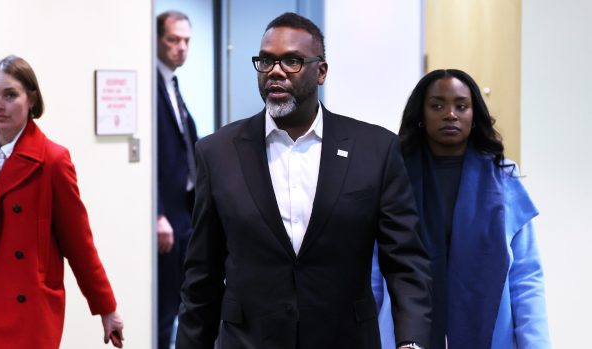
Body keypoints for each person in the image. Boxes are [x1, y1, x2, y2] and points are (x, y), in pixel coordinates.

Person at [176, 12, 432, 349]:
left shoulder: (375, 150)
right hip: (249, 340)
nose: (276, 72)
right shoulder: (218, 153)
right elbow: (202, 278)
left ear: (321, 71)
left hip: (344, 339)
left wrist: (411, 342)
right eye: (266, 61)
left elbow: (406, 262)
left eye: (292, 61)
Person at [372, 69, 551, 348]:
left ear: (473, 115)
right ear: (420, 115)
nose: (450, 114)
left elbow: (526, 278)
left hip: (491, 334)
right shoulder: (395, 178)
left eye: (461, 106)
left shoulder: (504, 179)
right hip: (404, 335)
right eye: (437, 105)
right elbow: (374, 272)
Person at [0, 55, 124, 349]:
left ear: (31, 99)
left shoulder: (52, 160)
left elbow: (78, 243)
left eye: (10, 95)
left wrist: (106, 308)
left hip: (28, 311)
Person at [156, 10, 199, 349]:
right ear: (157, 40)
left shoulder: (172, 82)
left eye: (186, 40)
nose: (181, 47)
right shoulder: (152, 84)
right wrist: (156, 213)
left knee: (187, 299)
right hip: (166, 214)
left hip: (185, 211)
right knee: (164, 306)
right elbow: (149, 160)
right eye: (173, 39)